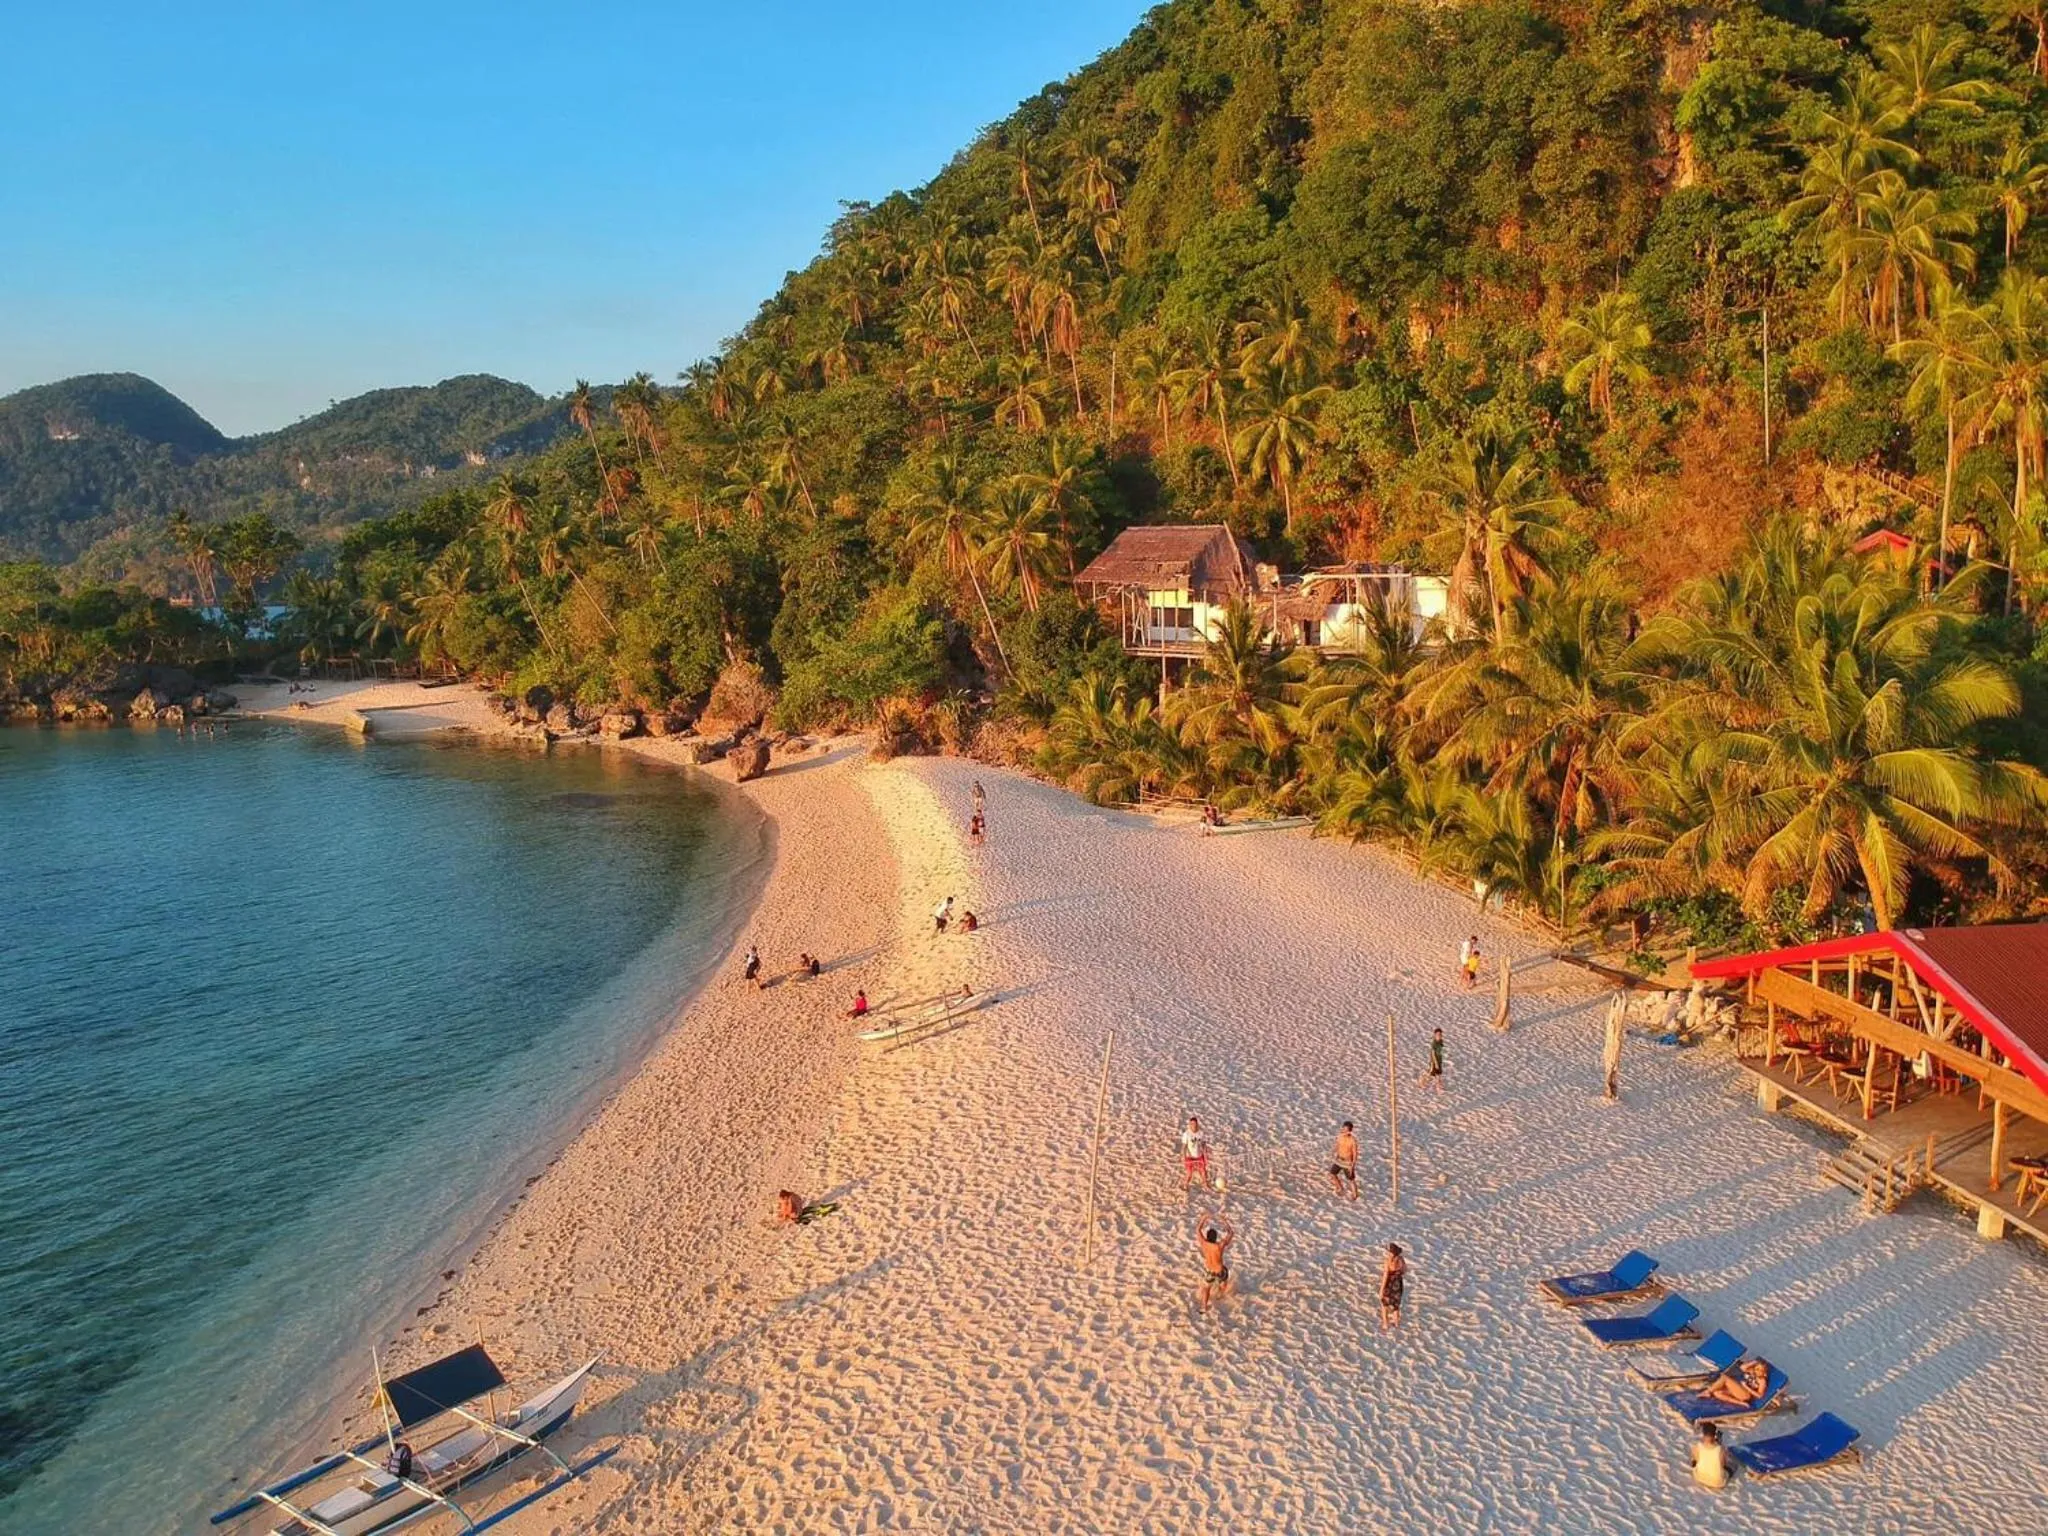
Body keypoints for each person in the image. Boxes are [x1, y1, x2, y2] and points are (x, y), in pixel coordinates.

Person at [1697, 1358, 1773, 1409]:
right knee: (1717, 1393)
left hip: (1746, 1394)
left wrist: (1747, 1387)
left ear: (1764, 1372)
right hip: (1739, 1391)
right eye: (1757, 1368)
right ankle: (1741, 1403)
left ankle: (1707, 1392)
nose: (1758, 1371)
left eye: (1761, 1370)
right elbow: (1742, 1367)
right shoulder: (1752, 1372)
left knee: (1725, 1377)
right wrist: (1755, 1362)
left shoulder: (1762, 1380)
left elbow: (1759, 1396)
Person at [1195, 1213, 1234, 1311]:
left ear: (1207, 1237)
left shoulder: (1204, 1243)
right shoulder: (1219, 1246)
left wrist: (1204, 1218)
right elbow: (1231, 1233)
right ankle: (1220, 1294)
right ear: (1216, 1237)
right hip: (1219, 1271)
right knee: (1224, 1280)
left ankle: (1204, 1307)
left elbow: (1198, 1230)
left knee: (1206, 1288)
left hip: (1209, 1271)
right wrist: (1224, 1221)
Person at [1691, 1422, 1729, 1490]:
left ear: (1703, 1434)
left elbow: (1695, 1459)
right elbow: (1723, 1464)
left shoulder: (1697, 1446)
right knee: (1733, 1466)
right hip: (1717, 1483)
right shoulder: (1721, 1449)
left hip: (1699, 1477)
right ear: (1715, 1435)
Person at [1379, 1243, 1406, 1331]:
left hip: (1389, 1284)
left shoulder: (1388, 1261)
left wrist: (1381, 1289)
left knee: (1385, 1304)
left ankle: (1385, 1323)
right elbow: (1404, 1270)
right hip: (1398, 1284)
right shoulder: (1401, 1260)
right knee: (1396, 1305)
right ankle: (1396, 1322)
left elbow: (1385, 1276)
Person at [1329, 1121, 1359, 1199]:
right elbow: (1337, 1145)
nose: (1344, 1131)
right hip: (1339, 1159)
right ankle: (1340, 1187)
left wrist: (1352, 1165)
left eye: (1346, 1130)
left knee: (1351, 1179)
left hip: (1347, 1162)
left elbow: (1355, 1153)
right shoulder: (1340, 1137)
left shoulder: (1352, 1140)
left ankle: (1355, 1195)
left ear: (1350, 1131)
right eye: (1343, 1129)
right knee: (1332, 1174)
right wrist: (1333, 1152)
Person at [1180, 1116, 1211, 1190]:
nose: (1193, 1125)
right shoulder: (1186, 1134)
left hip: (1199, 1156)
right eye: (1191, 1124)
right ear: (1189, 1125)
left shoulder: (1201, 1133)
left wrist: (1205, 1155)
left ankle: (1205, 1184)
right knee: (1189, 1173)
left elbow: (1203, 1144)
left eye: (1194, 1124)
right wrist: (1183, 1157)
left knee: (1203, 1171)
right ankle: (1185, 1184)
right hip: (1190, 1157)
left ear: (1197, 1124)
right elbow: (1184, 1146)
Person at [1425, 1028, 1446, 1093]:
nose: (1439, 1036)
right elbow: (1433, 1054)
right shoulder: (1434, 1043)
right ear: (1435, 1035)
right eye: (1438, 1035)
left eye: (1440, 1034)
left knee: (1438, 1074)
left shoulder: (1441, 1042)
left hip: (1439, 1060)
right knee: (1430, 1074)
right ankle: (1422, 1082)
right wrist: (1436, 1063)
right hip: (1434, 1062)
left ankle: (1439, 1088)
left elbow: (1441, 1051)